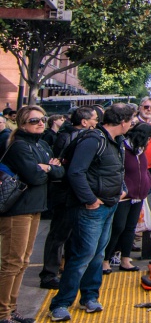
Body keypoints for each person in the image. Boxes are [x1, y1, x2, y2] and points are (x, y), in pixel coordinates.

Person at [49, 102, 135, 323]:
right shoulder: (94, 140)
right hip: (93, 207)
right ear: (122, 122)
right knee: (83, 255)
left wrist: (120, 190)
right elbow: (76, 172)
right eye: (130, 121)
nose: (131, 125)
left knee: (96, 254)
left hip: (107, 204)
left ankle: (89, 296)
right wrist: (90, 200)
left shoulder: (115, 142)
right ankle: (61, 303)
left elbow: (113, 170)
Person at [0, 106, 64, 323]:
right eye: (34, 120)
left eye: (43, 119)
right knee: (12, 262)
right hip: (17, 211)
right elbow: (35, 177)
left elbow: (59, 172)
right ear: (22, 124)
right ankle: (2, 314)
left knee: (23, 262)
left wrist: (46, 168)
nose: (40, 123)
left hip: (35, 208)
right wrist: (48, 168)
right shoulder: (19, 147)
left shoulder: (42, 145)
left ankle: (11, 309)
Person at [40, 107, 99, 290]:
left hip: (71, 192)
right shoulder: (70, 137)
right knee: (60, 234)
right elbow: (65, 165)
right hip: (65, 192)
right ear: (84, 122)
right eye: (94, 119)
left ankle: (62, 270)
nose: (96, 122)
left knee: (70, 234)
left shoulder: (76, 136)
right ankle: (49, 274)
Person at [102, 122, 151, 274]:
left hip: (139, 195)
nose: (150, 140)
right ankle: (106, 259)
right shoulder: (122, 149)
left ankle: (126, 258)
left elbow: (144, 170)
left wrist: (148, 183)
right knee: (118, 227)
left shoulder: (140, 151)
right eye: (149, 137)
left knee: (130, 228)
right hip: (124, 196)